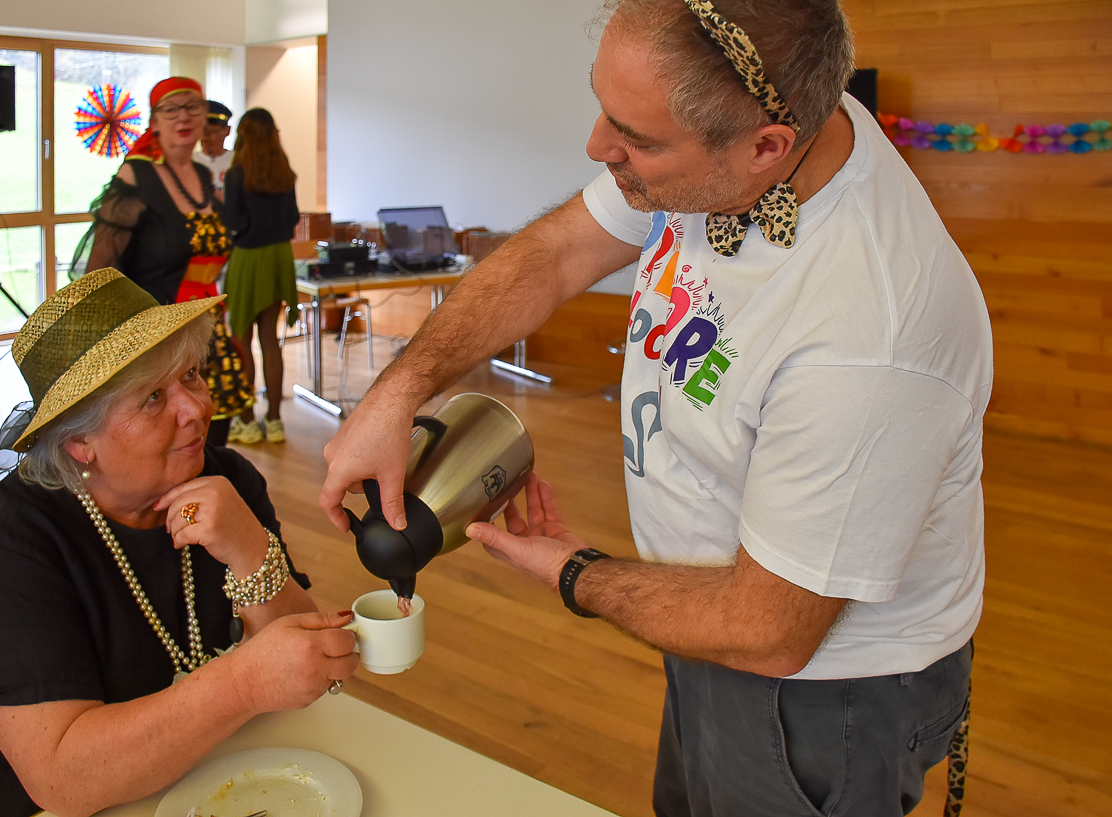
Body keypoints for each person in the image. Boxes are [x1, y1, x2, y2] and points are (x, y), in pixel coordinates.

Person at [319, 1, 992, 816]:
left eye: (635, 139)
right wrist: (396, 393)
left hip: (821, 695)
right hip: (701, 616)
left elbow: (770, 631)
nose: (597, 147)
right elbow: (556, 253)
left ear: (767, 147)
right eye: (604, 107)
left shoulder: (870, 330)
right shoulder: (757, 124)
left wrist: (575, 572)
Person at [0, 268, 358, 817]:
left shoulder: (226, 481)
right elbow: (62, 780)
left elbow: (304, 664)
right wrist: (241, 684)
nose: (196, 408)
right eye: (154, 397)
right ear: (79, 442)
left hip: (190, 776)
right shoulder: (4, 549)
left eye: (191, 375)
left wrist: (250, 548)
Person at [74, 77, 252, 446]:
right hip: (157, 339)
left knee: (211, 439)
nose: (183, 117)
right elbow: (98, 273)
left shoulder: (201, 175)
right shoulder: (136, 176)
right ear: (154, 122)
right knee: (171, 445)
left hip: (206, 329)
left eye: (193, 107)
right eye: (171, 110)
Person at [220, 107, 302, 445]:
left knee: (241, 339)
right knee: (270, 339)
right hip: (279, 257)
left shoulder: (236, 174)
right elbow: (293, 217)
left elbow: (232, 222)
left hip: (248, 257)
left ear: (243, 136)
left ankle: (247, 422)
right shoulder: (285, 173)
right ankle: (275, 420)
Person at [193, 100, 234, 195]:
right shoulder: (190, 162)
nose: (206, 138)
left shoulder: (237, 161)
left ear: (227, 131)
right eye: (203, 132)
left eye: (212, 132)